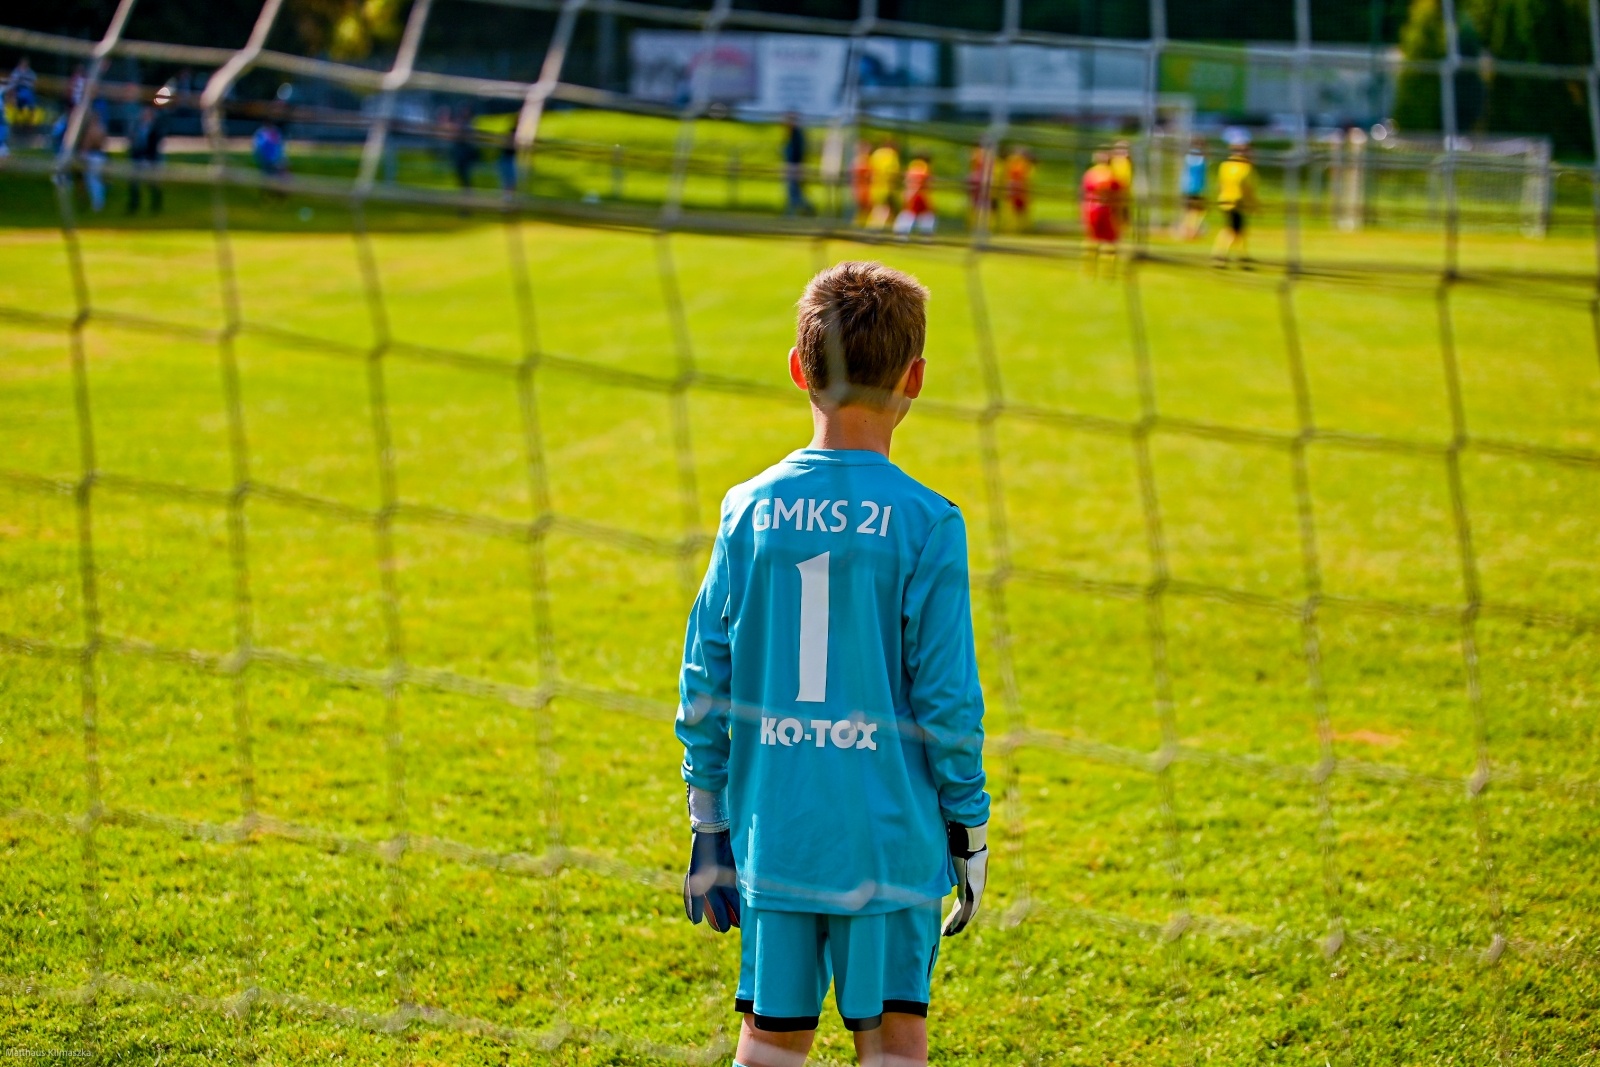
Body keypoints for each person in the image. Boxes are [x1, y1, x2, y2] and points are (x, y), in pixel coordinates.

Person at [677, 260, 991, 1067]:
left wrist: (708, 821)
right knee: (893, 1039)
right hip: (888, 846)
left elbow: (703, 678)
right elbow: (949, 702)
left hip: (775, 836)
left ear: (797, 368)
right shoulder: (929, 521)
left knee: (770, 1040)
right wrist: (970, 823)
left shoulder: (747, 508)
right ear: (915, 377)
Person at [1212, 141, 1258, 268]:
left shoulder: (1225, 165)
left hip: (1224, 201)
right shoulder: (1245, 167)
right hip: (1238, 202)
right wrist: (1254, 205)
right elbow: (1248, 188)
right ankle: (1221, 255)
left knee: (1237, 231)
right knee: (1233, 231)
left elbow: (1220, 184)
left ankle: (1242, 256)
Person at [1081, 149, 1123, 276]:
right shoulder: (1112, 175)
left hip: (1091, 209)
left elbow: (1084, 194)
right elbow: (1118, 196)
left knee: (1092, 239)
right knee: (1111, 240)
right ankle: (1108, 269)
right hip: (1106, 210)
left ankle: (1089, 268)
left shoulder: (1089, 174)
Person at [126, 104, 166, 215]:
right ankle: (134, 205)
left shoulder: (155, 127)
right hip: (138, 158)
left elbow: (155, 145)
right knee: (134, 182)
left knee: (153, 182)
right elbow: (131, 142)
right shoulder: (136, 126)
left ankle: (155, 206)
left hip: (151, 159)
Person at [893, 153, 934, 238]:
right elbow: (921, 182)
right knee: (923, 215)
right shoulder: (923, 167)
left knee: (912, 213)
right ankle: (925, 234)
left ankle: (901, 232)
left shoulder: (912, 166)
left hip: (912, 193)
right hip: (919, 194)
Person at [781, 113, 812, 216]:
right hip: (792, 166)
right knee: (794, 191)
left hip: (795, 166)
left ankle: (801, 210)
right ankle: (797, 210)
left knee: (795, 191)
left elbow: (798, 152)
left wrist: (798, 167)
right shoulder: (793, 134)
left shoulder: (797, 134)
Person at [1178, 136, 1208, 241]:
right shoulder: (1196, 155)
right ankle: (1190, 230)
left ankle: (1189, 229)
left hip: (1191, 186)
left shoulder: (1192, 155)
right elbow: (1197, 167)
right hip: (1194, 187)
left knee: (1192, 210)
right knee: (1195, 210)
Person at [866, 140, 900, 229]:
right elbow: (894, 171)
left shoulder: (876, 154)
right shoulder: (892, 155)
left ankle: (873, 227)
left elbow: (870, 170)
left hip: (875, 186)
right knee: (884, 209)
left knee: (878, 207)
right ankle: (875, 228)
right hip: (887, 187)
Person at [1004, 146, 1034, 231]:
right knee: (1013, 208)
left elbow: (1026, 176)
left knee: (1022, 208)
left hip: (1020, 188)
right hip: (1015, 187)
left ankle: (1022, 227)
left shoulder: (1023, 164)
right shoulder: (1012, 163)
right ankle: (1013, 227)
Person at [1108, 139, 1134, 230]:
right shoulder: (1113, 161)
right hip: (1114, 190)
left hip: (1123, 190)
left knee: (1123, 211)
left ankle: (1122, 227)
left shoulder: (1127, 162)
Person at [850, 139, 873, 226]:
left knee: (863, 211)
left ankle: (860, 226)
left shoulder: (859, 161)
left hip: (861, 188)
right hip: (862, 188)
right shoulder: (862, 161)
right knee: (863, 210)